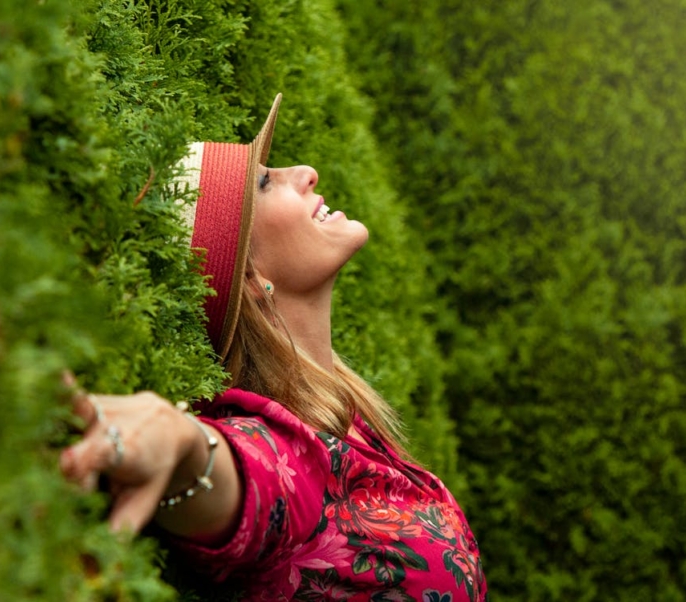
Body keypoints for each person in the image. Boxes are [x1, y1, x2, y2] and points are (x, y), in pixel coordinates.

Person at [59, 94, 488, 601]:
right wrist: (180, 442)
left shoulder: (345, 418)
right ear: (248, 278)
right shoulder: (284, 453)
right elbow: (243, 475)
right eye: (265, 181)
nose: (306, 171)